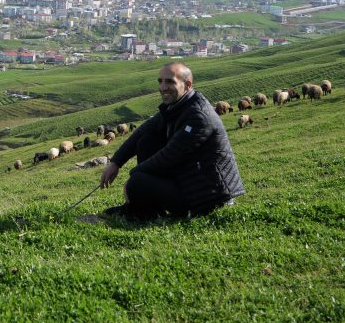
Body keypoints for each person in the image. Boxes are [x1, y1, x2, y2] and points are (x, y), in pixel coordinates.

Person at [98, 61, 244, 221]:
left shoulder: (198, 117)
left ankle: (142, 210)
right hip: (189, 179)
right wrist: (116, 163)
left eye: (169, 82)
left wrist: (135, 176)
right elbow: (141, 132)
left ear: (187, 85)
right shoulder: (178, 106)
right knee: (146, 140)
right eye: (160, 81)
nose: (162, 87)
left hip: (207, 195)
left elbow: (171, 155)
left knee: (138, 181)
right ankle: (145, 210)